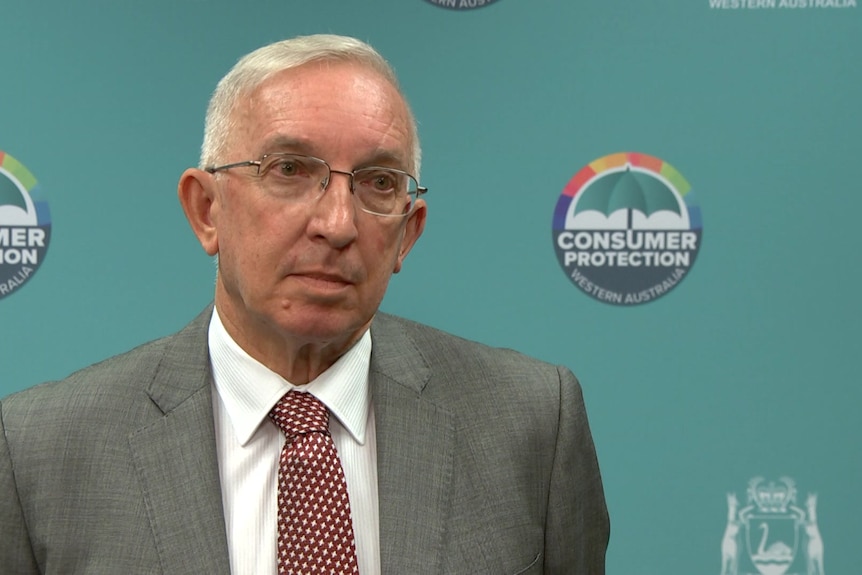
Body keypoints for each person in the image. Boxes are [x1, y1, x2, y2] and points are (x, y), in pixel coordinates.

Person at [0, 34, 609, 574]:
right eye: (288, 168)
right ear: (206, 210)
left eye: (378, 182)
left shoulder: (532, 425)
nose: (337, 223)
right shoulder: (40, 451)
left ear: (408, 231)